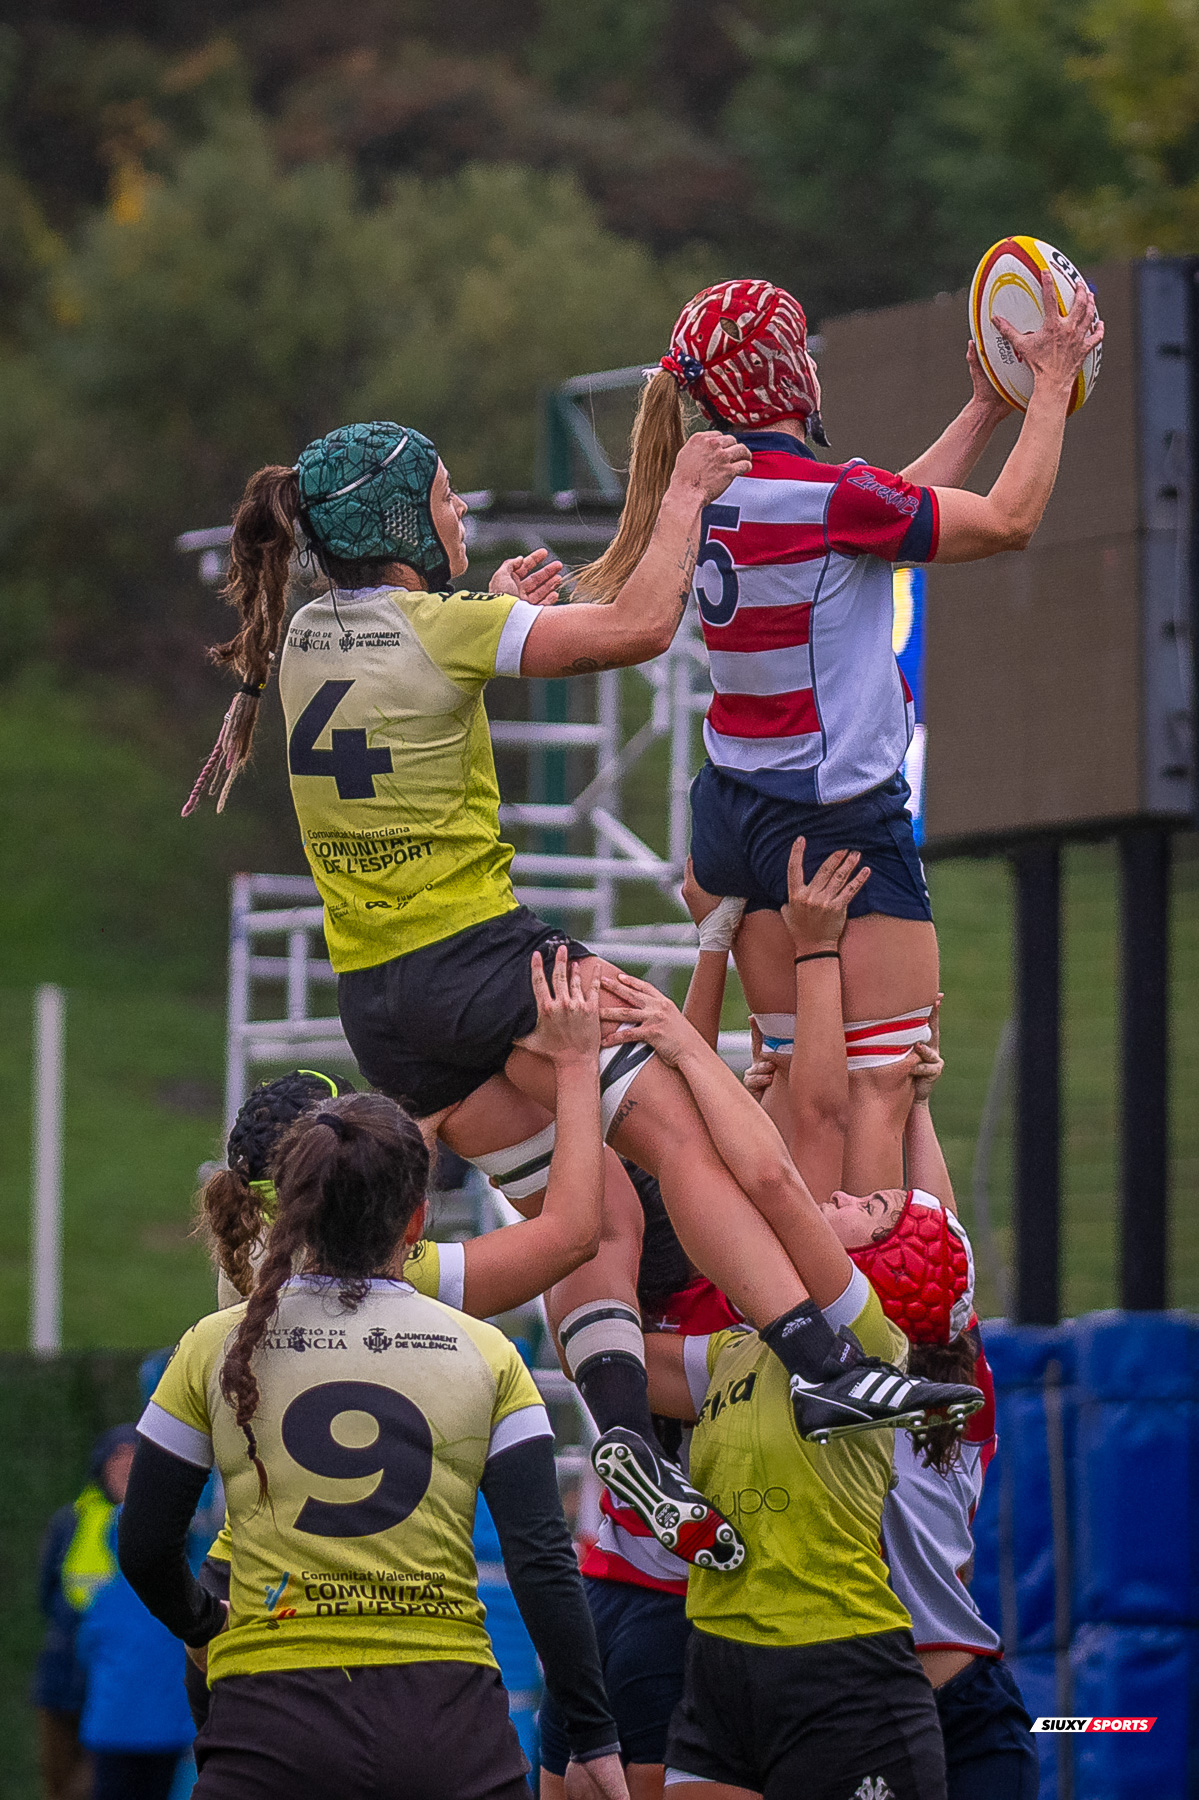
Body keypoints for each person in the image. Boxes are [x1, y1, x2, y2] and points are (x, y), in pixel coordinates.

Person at [183, 409, 963, 1565]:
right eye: (446, 496)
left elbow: (412, 685)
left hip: (385, 1011)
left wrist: (496, 604)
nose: (460, 509)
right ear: (400, 520)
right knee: (688, 1135)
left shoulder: (302, 640)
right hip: (487, 959)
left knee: (588, 1208)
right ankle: (825, 1363)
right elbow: (644, 624)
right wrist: (686, 489)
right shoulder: (442, 630)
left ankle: (625, 1440)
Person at [575, 273, 1104, 1193]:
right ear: (787, 374)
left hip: (739, 814)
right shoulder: (826, 499)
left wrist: (983, 411)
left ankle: (807, 1308)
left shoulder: (699, 496)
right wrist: (1050, 385)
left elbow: (886, 512)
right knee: (881, 1097)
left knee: (796, 1088)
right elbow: (1009, 522)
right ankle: (876, 1327)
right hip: (834, 821)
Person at [117, 963, 629, 1800]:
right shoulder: (428, 1295)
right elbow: (574, 1232)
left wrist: (206, 1630)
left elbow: (144, 1544)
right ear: (408, 1215)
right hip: (437, 1700)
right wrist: (572, 1069)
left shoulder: (231, 1313)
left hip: (264, 1640)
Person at [716, 839, 1040, 1799]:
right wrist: (913, 1102)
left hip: (907, 1699)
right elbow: (932, 1236)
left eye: (867, 1216)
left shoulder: (851, 1366)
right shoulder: (958, 1384)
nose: (866, 1198)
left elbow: (823, 1196)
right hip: (956, 1690)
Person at [592, 987, 953, 1800]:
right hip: (718, 1666)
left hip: (841, 1672)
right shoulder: (737, 1349)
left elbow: (774, 1184)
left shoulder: (864, 1335)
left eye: (870, 1207)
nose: (844, 1196)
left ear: (884, 1270)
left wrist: (685, 1048)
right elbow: (608, 1337)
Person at [539, 1170, 739, 1800]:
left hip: (595, 1592)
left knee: (565, 1784)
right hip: (685, 1598)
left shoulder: (598, 1308)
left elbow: (576, 1235)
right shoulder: (744, 1304)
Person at [32, 1428, 138, 1800]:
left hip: (120, 1688)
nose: (126, 1466)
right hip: (63, 1680)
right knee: (58, 1781)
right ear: (101, 1466)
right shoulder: (70, 1521)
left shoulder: (155, 1526)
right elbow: (47, 1594)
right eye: (118, 1457)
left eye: (134, 1457)